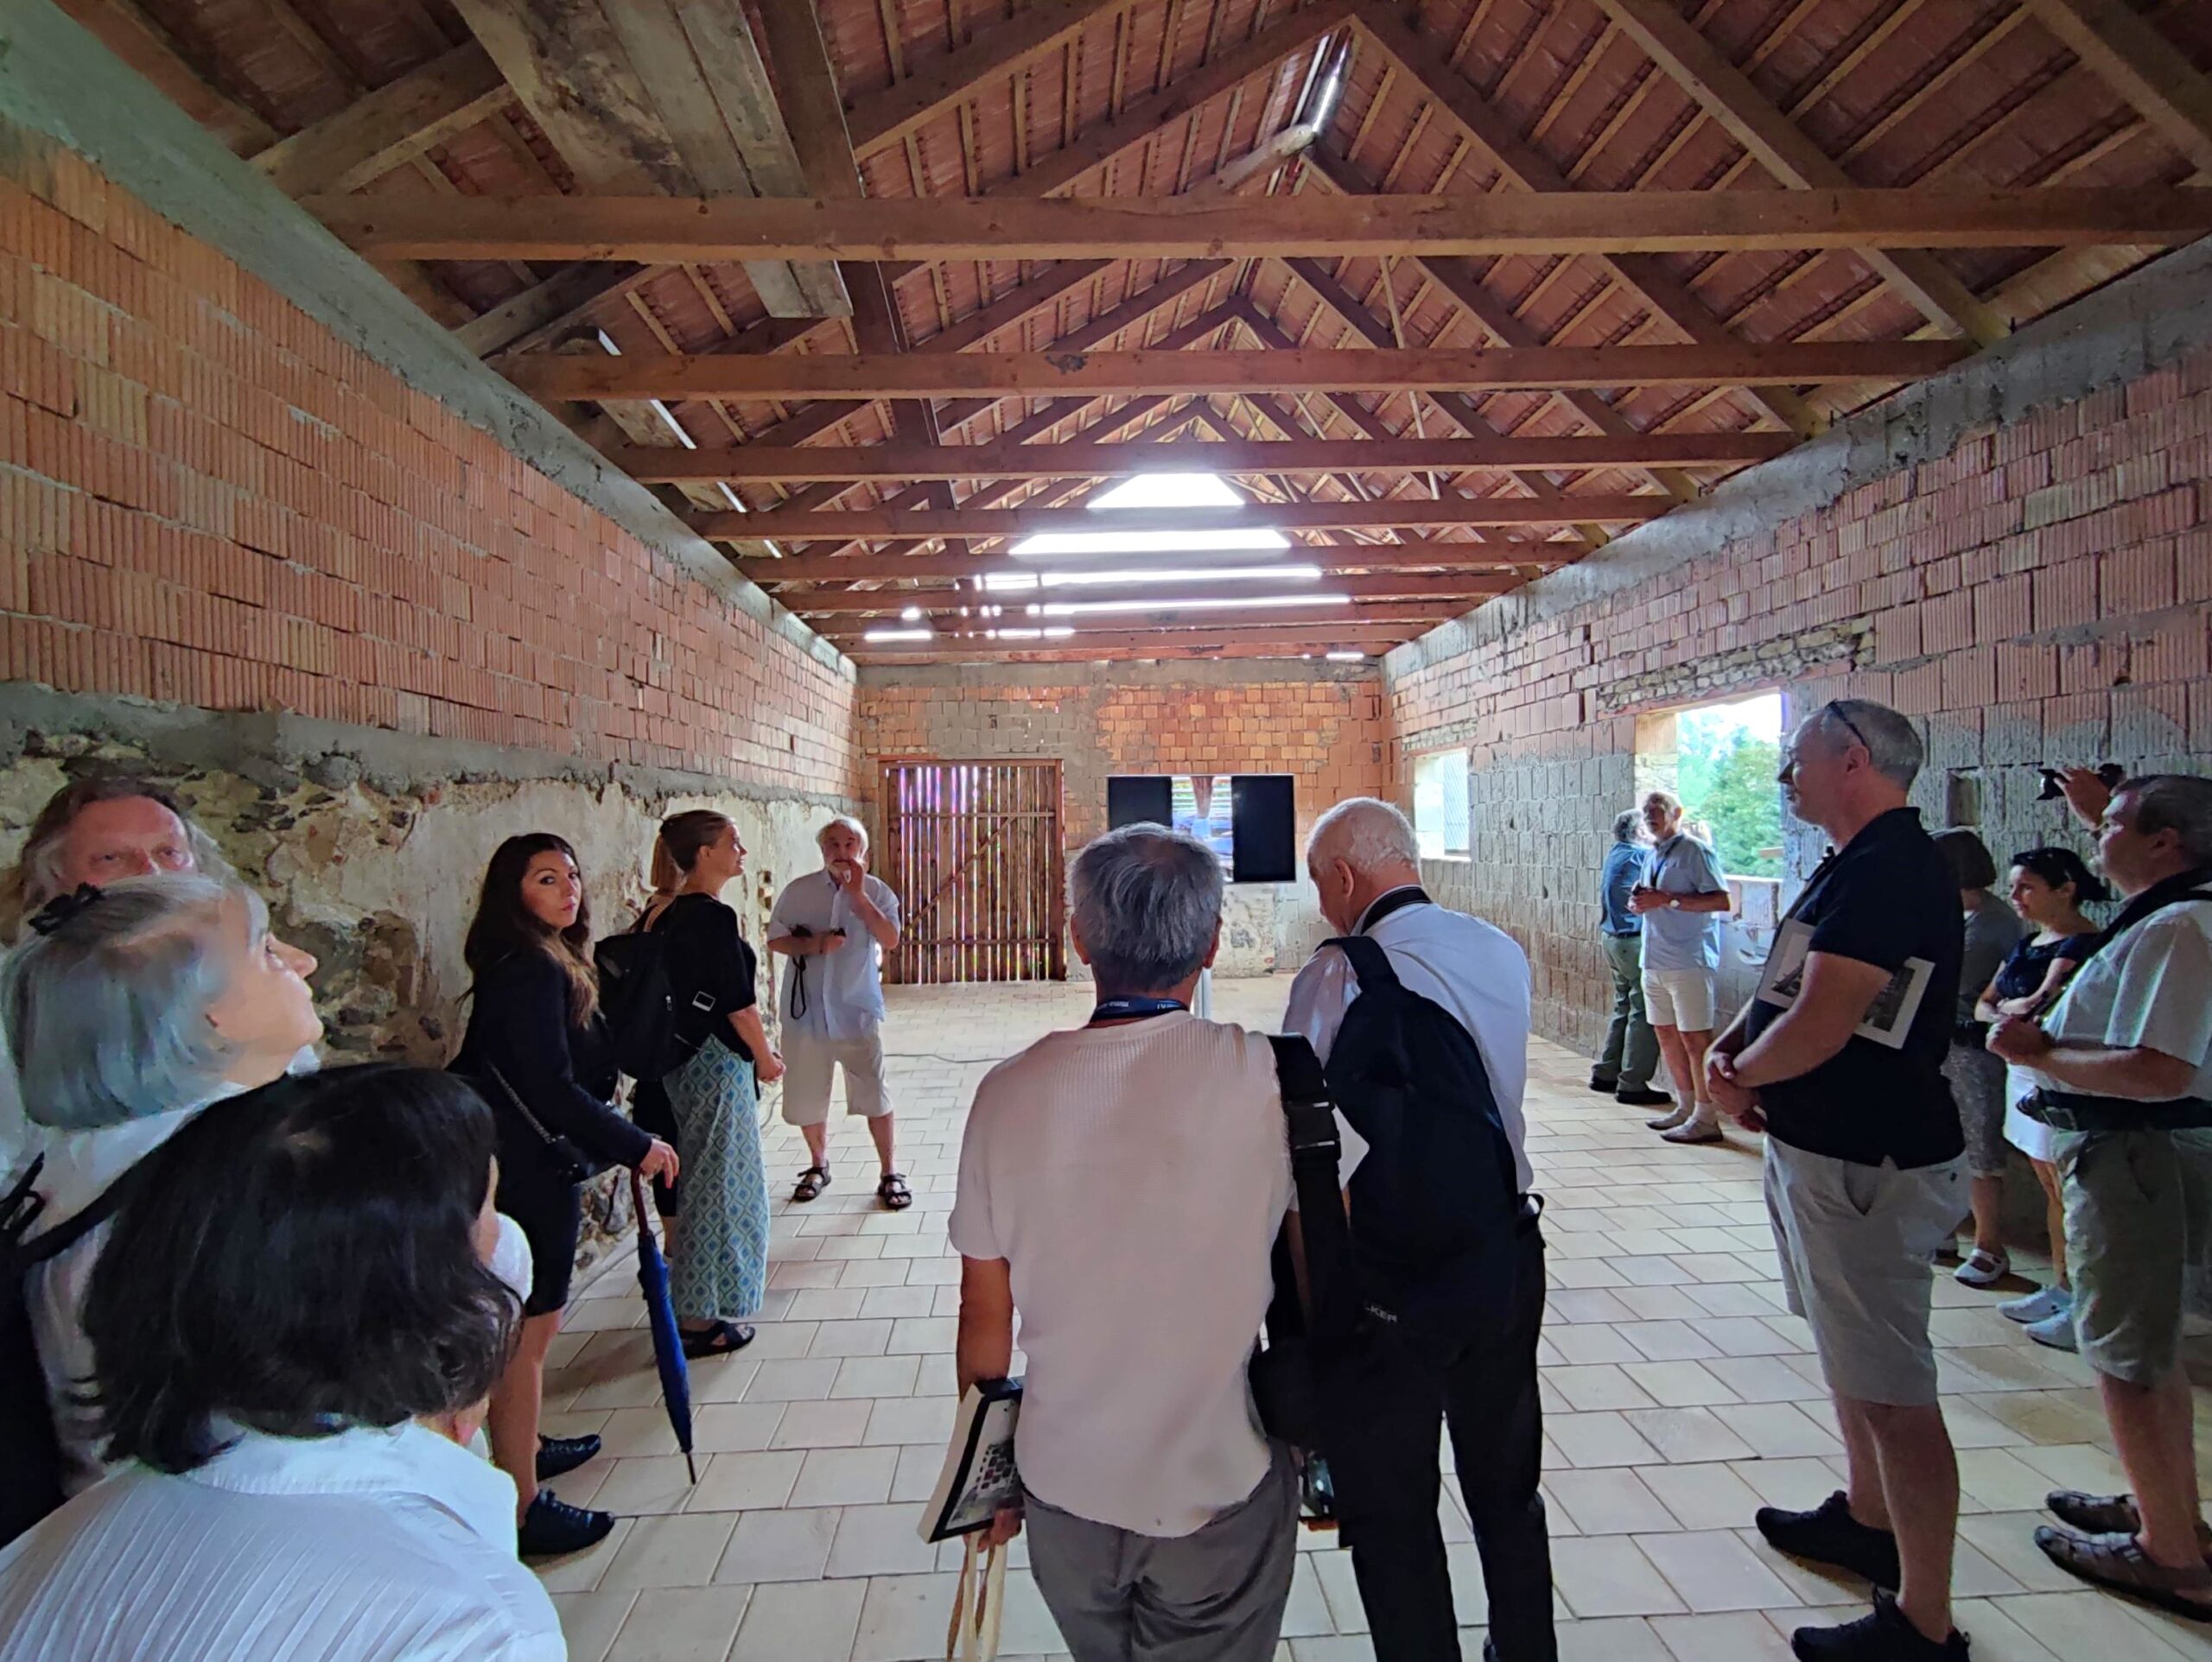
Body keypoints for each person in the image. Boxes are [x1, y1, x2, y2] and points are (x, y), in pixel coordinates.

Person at [0, 1065, 563, 1661]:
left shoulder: (37, 1560)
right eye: (489, 1208)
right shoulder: (465, 1625)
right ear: (427, 1290)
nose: (503, 1240)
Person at [951, 824, 1345, 1662]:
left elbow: (982, 1315)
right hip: (1221, 1480)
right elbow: (1323, 1269)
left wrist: (985, 1479)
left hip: (1064, 1485)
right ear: (1212, 942)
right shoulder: (1277, 1080)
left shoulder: (1005, 1094)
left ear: (1078, 937)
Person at [1705, 699, 1967, 1662]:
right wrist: (1735, 1054)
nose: (1786, 778)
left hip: (1870, 1158)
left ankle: (1924, 1621)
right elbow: (1787, 984)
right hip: (1823, 1146)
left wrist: (1739, 1075)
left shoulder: (1893, 868)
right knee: (1851, 1357)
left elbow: (1824, 1018)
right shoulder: (1852, 862)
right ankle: (1867, 1516)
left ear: (1854, 760)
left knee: (1894, 1388)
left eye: (1798, 760)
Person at [1285, 798, 1552, 1662]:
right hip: (1503, 1251)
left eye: (1319, 881)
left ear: (1344, 876)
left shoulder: (1336, 976)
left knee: (1394, 1511)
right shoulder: (1498, 948)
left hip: (1387, 1280)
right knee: (1507, 1487)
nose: (1322, 901)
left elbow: (1306, 1152)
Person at [1, 873, 321, 1499]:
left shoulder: (93, 1158)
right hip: (219, 1518)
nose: (303, 961)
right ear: (210, 1015)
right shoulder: (218, 1189)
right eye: (266, 951)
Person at [1986, 772, 2212, 1617]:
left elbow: (2158, 1069)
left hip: (2133, 1150)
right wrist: (2104, 811)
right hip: (2133, 1149)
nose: (2095, 833)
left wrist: (2038, 1053)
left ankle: (2169, 1555)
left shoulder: (2182, 926)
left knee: (2124, 1354)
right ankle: (2167, 1512)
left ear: (2164, 842)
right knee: (2144, 1347)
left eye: (2112, 823)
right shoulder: (2170, 910)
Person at [450, 833, 679, 1558]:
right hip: (525, 1164)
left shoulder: (543, 958)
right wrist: (635, 1144)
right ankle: (521, 1505)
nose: (568, 888)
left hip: (522, 1158)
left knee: (528, 1326)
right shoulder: (529, 970)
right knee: (530, 1331)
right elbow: (549, 1087)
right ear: (512, 893)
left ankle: (524, 1440)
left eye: (571, 875)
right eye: (546, 878)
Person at [642, 810, 781, 1358]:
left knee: (706, 1177)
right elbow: (738, 1004)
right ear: (705, 854)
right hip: (715, 1063)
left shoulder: (664, 913)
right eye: (732, 843)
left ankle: (701, 1303)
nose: (740, 852)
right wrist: (765, 1058)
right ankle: (698, 1316)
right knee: (717, 1185)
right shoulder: (709, 917)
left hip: (684, 1062)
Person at [1979, 847, 2106, 1348]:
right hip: (2021, 1070)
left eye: (2026, 887)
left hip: (2057, 1074)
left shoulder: (2086, 945)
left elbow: (2044, 1009)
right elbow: (1988, 1003)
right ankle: (2061, 1285)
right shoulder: (2030, 942)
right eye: (2013, 887)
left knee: (2069, 1190)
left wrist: (2014, 1014)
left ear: (2065, 889)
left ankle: (2083, 1298)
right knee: (2049, 1186)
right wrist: (2003, 1016)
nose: (2015, 896)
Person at [766, 815, 906, 1208]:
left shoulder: (877, 892)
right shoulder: (799, 892)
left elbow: (890, 939)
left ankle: (889, 1171)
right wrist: (814, 945)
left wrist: (858, 896)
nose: (841, 852)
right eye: (833, 844)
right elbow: (776, 939)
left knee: (874, 1092)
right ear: (822, 849)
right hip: (806, 1011)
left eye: (849, 844)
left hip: (855, 1008)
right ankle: (818, 1164)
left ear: (862, 850)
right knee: (808, 1093)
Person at [1930, 829, 2024, 1289]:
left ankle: (1990, 1245)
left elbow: (1956, 981)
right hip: (1943, 1042)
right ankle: (1945, 1225)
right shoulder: (1955, 912)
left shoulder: (1992, 924)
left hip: (1971, 1046)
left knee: (1979, 1147)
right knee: (1942, 1139)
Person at [0, 773, 227, 943]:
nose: (151, 872)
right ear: (53, 875)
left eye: (168, 853)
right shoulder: (20, 984)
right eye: (110, 858)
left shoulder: (236, 970)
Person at [1631, 789, 1732, 1144]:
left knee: (1695, 1039)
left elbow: (1720, 900)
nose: (1651, 816)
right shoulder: (1652, 854)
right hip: (1654, 957)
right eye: (1647, 811)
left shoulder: (1695, 852)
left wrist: (1668, 900)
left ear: (1677, 814)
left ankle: (1707, 1115)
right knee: (1665, 1033)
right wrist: (1640, 902)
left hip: (1689, 958)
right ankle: (1685, 1105)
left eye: (1658, 809)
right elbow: (1652, 896)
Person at [1591, 809, 1669, 1110]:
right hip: (1631, 940)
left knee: (1623, 1004)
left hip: (1612, 938)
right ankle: (1633, 1081)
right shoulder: (1639, 856)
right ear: (1638, 833)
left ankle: (1607, 1071)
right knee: (1644, 1011)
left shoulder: (1616, 853)